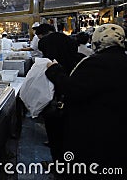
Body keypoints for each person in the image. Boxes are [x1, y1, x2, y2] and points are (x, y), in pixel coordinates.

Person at [45, 24, 127, 178]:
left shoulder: (97, 63)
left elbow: (72, 89)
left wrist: (54, 70)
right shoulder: (122, 59)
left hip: (96, 129)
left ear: (97, 40)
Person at [38, 27, 85, 163]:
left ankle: (60, 165)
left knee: (59, 134)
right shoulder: (79, 59)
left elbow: (65, 86)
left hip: (62, 108)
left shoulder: (55, 65)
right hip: (73, 114)